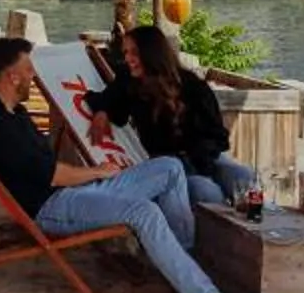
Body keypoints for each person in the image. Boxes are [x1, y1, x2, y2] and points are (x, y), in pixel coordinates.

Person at [0, 37, 263, 293]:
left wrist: (97, 174)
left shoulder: (14, 113)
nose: (34, 77)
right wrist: (97, 172)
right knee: (143, 211)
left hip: (76, 192)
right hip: (53, 206)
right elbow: (52, 176)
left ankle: (187, 268)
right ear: (11, 75)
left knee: (169, 168)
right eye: (29, 70)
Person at [90, 24, 263, 208]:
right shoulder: (130, 83)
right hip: (170, 165)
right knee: (205, 190)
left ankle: (262, 229)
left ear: (152, 53)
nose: (128, 59)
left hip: (205, 156)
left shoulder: (192, 85)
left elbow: (218, 135)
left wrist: (201, 156)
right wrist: (102, 112)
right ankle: (222, 233)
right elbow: (104, 98)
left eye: (134, 53)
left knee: (244, 178)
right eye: (125, 53)